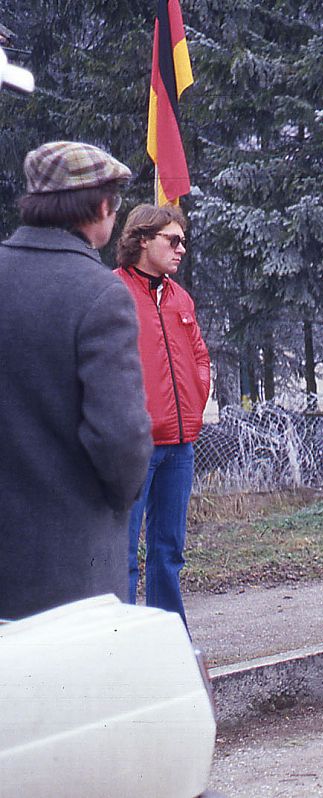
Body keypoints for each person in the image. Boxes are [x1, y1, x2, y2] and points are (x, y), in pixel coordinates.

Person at [0, 141, 152, 620]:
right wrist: (116, 502)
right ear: (103, 207)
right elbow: (121, 438)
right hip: (70, 564)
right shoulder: (100, 294)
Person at [115, 204, 210, 626]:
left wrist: (195, 400)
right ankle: (118, 642)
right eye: (173, 240)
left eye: (183, 241)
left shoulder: (180, 298)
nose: (181, 249)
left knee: (168, 552)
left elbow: (199, 357)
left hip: (179, 445)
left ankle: (168, 637)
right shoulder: (112, 294)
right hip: (133, 446)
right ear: (141, 240)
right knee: (122, 554)